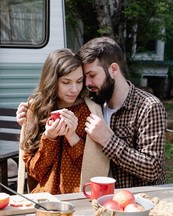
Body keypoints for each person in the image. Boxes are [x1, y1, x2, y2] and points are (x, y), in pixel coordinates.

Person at [17, 37, 167, 189]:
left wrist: (108, 140)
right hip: (100, 198)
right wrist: (29, 118)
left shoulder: (148, 106)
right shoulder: (94, 102)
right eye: (84, 77)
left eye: (92, 75)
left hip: (140, 198)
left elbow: (152, 169)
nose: (86, 84)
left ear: (113, 69)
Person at [19, 48, 109, 194]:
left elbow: (94, 170)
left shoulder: (89, 110)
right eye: (66, 82)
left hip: (79, 197)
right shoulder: (36, 109)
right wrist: (49, 138)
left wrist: (72, 137)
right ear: (52, 81)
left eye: (79, 81)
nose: (74, 89)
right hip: (44, 199)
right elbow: (34, 172)